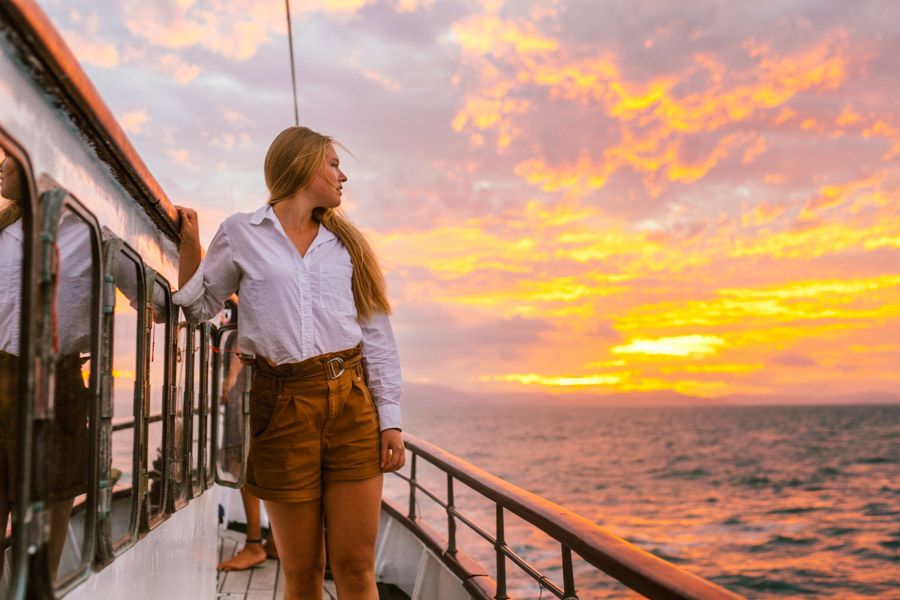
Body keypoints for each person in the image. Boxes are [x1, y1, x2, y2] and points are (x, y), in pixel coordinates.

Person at [173, 126, 404, 600]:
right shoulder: (240, 232)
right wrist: (189, 247)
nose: (343, 176)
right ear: (301, 166)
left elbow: (378, 338)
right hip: (281, 405)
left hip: (352, 402)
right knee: (301, 572)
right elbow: (197, 307)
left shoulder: (349, 246)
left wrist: (391, 421)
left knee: (355, 568)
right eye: (334, 164)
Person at [216, 298, 278, 570]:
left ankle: (254, 543)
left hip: (245, 387)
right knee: (261, 462)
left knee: (242, 461)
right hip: (254, 384)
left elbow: (247, 330)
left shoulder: (242, 285)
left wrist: (231, 376)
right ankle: (275, 541)